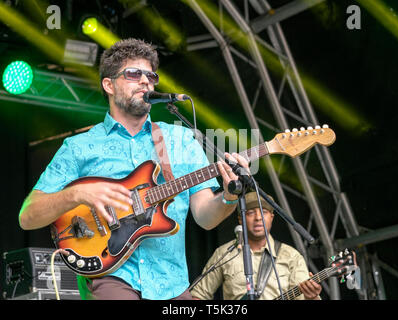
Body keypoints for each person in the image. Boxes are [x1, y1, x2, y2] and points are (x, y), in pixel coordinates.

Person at [18, 38, 249, 300]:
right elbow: (28, 217)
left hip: (171, 283)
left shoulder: (180, 140)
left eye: (151, 76)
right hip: (110, 277)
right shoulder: (79, 147)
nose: (145, 81)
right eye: (133, 74)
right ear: (109, 85)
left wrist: (230, 197)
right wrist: (78, 194)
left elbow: (206, 217)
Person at [190, 191, 322, 300]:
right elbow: (198, 295)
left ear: (271, 217)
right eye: (251, 212)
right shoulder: (224, 253)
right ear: (241, 219)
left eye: (264, 211)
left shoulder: (291, 256)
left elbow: (305, 295)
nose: (258, 218)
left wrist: (312, 297)